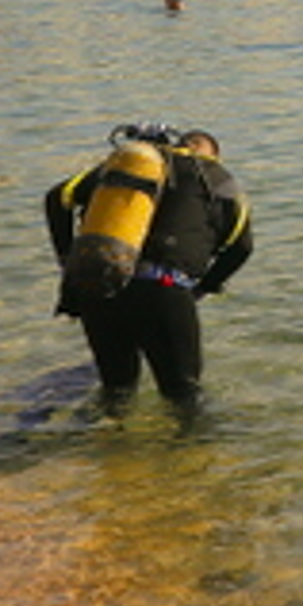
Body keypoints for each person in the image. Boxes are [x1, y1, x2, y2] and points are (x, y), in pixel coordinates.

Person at [44, 127, 254, 407]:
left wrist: (69, 262)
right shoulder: (216, 176)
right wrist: (204, 287)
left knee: (116, 389)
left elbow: (57, 198)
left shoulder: (126, 168)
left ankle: (103, 441)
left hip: (101, 284)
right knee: (184, 394)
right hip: (163, 288)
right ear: (214, 155)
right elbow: (242, 247)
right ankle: (192, 450)